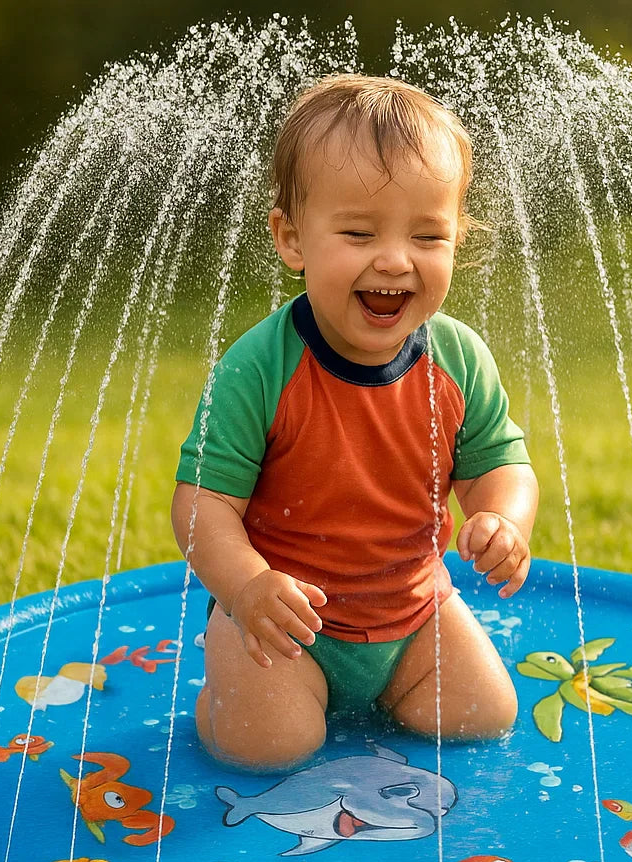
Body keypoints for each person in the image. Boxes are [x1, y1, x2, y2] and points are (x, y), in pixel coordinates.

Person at [172, 74, 539, 773]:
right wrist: (247, 587)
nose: (396, 259)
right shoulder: (261, 369)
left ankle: (384, 688)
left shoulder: (457, 359)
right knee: (269, 749)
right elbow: (202, 504)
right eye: (358, 232)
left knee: (481, 716)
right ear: (291, 238)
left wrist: (502, 518)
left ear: (457, 239)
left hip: (412, 612)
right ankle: (225, 683)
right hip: (288, 624)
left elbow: (500, 466)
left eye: (428, 235)